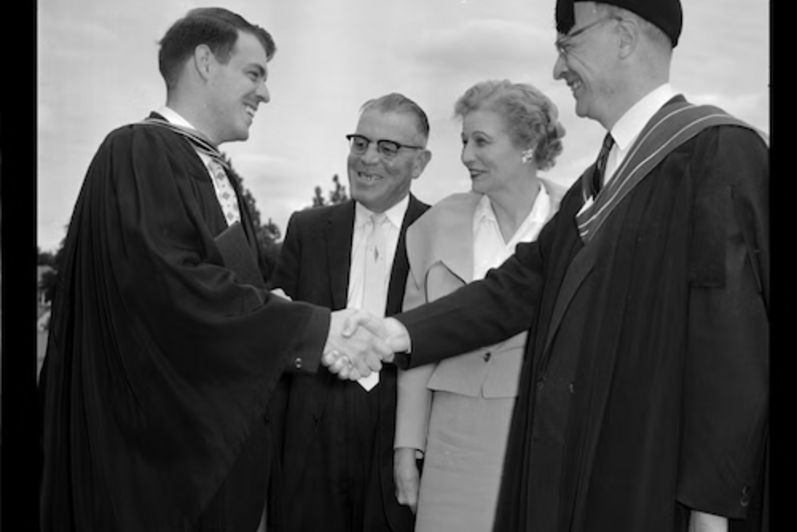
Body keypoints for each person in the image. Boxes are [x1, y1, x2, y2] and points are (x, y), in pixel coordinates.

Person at [331, 1, 769, 531]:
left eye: (568, 45)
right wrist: (394, 332)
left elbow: (733, 350)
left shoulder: (717, 153)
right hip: (573, 475)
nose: (559, 69)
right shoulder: (597, 181)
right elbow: (514, 288)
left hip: (649, 485)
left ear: (624, 37)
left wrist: (711, 511)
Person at [37, 7, 391, 532]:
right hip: (149, 464)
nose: (265, 94)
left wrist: (280, 308)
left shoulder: (204, 164)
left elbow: (227, 288)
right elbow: (170, 290)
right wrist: (314, 329)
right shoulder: (135, 150)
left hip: (208, 452)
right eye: (254, 73)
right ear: (205, 61)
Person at [392, 80, 565, 532]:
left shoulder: (578, 222)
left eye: (481, 141)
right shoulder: (434, 225)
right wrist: (406, 446)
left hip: (545, 436)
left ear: (527, 146)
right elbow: (415, 341)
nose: (467, 155)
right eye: (464, 140)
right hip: (454, 441)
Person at [269, 93, 432, 532]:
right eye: (360, 143)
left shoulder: (441, 234)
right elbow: (279, 332)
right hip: (311, 432)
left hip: (401, 435)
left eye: (387, 148)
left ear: (420, 164)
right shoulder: (306, 228)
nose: (368, 158)